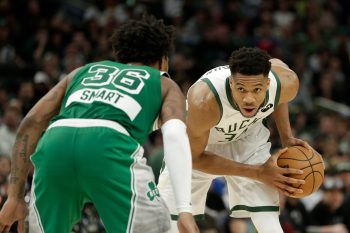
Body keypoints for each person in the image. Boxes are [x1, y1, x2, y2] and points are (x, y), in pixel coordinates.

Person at [0, 15, 199, 233]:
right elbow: (174, 136)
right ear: (163, 60)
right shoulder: (163, 82)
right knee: (163, 228)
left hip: (54, 145)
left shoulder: (83, 71)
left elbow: (31, 123)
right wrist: (184, 209)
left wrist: (14, 197)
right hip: (108, 145)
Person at [158, 47, 310, 233]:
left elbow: (279, 97)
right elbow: (195, 158)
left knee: (268, 220)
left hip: (246, 137)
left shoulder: (287, 82)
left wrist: (287, 137)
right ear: (230, 83)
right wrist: (258, 172)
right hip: (200, 145)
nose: (249, 99)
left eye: (257, 89)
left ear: (268, 84)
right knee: (169, 224)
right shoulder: (204, 100)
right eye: (241, 89)